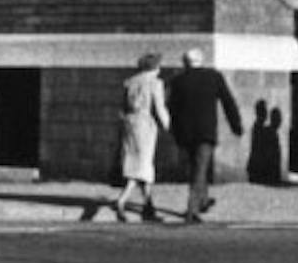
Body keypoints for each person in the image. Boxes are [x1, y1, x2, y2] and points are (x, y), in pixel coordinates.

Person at [166, 47, 243, 222]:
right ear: (201, 61)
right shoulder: (213, 77)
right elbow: (228, 101)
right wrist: (236, 125)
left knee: (196, 166)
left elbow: (173, 108)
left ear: (185, 62)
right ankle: (192, 209)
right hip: (205, 131)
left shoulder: (178, 81)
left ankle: (204, 200)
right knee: (200, 168)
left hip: (185, 132)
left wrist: (175, 131)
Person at [111, 51, 170, 221]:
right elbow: (159, 107)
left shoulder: (130, 82)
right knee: (144, 164)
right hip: (145, 124)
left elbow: (121, 108)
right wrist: (167, 124)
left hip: (129, 123)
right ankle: (123, 201)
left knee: (134, 162)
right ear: (155, 67)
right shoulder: (155, 83)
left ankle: (148, 206)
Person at [247, 98, 287, 185]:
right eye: (264, 111)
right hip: (259, 171)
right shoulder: (261, 129)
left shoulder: (264, 129)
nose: (266, 114)